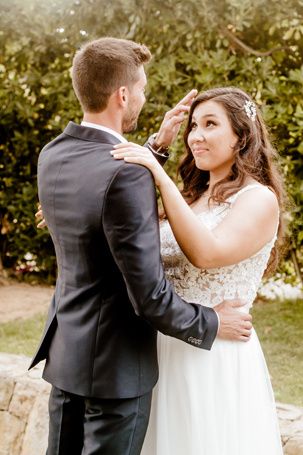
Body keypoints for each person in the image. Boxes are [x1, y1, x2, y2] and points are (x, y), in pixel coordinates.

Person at [29, 39, 252, 455]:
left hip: (66, 358)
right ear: (123, 94)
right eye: (143, 90)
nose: (145, 98)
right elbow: (148, 296)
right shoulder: (125, 176)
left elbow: (102, 195)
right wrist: (212, 322)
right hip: (115, 371)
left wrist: (157, 149)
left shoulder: (54, 154)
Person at [112, 86, 285, 454]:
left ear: (241, 137)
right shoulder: (190, 197)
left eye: (210, 124)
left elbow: (206, 253)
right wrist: (75, 208)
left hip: (213, 357)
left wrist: (158, 175)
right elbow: (130, 239)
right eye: (193, 125)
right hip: (159, 348)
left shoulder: (259, 199)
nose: (196, 136)